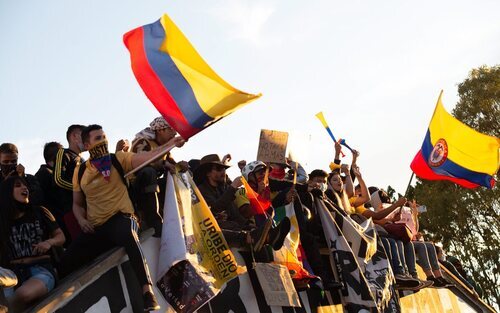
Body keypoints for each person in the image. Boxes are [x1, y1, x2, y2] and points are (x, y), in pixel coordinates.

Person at [59, 124, 185, 312]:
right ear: (86, 144)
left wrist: (172, 144)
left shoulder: (118, 159)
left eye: (104, 137)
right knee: (65, 262)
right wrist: (82, 220)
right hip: (97, 228)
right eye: (97, 139)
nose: (103, 141)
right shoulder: (81, 170)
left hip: (122, 218)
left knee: (127, 233)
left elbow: (147, 157)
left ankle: (147, 291)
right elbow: (77, 204)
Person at [0, 176, 65, 310]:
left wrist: (49, 242)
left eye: (25, 185)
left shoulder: (40, 211)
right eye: (18, 185)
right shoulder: (2, 222)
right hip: (12, 275)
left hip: (41, 269)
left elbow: (61, 237)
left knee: (23, 294)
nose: (25, 188)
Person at [130, 117, 179, 237]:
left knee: (175, 177)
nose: (175, 133)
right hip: (134, 186)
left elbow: (172, 165)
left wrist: (180, 166)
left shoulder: (165, 147)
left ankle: (175, 218)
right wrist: (162, 163)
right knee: (149, 172)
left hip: (151, 186)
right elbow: (139, 163)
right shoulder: (143, 142)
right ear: (160, 130)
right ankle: (154, 220)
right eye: (171, 129)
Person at [52, 125, 86, 244]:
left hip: (87, 207)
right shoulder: (63, 153)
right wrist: (79, 190)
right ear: (74, 136)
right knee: (83, 244)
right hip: (71, 209)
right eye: (84, 136)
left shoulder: (83, 160)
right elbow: (58, 179)